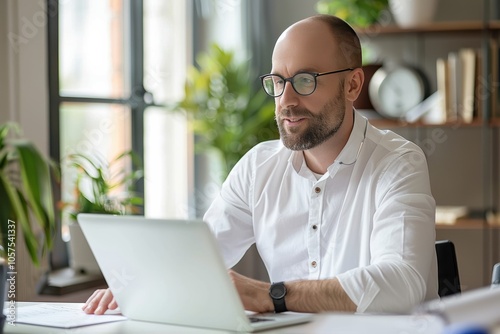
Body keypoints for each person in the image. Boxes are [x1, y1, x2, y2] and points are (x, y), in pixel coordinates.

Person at [83, 14, 438, 316]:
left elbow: (401, 283)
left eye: (305, 80)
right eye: (278, 82)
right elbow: (201, 257)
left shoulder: (397, 163)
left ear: (352, 84)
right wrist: (141, 284)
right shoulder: (258, 167)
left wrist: (270, 295)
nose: (286, 101)